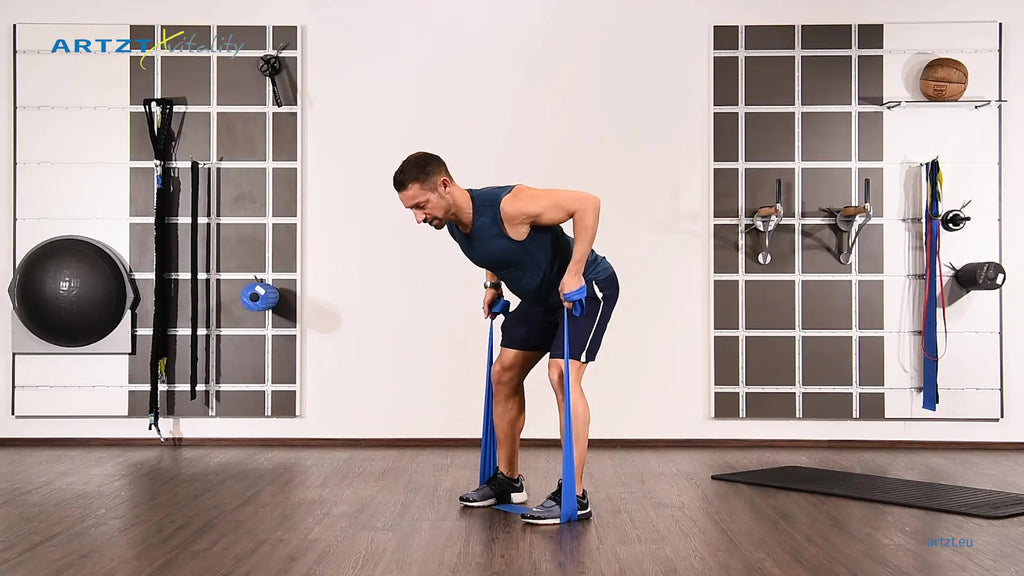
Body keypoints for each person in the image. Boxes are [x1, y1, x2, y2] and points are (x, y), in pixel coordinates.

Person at [392, 151, 619, 525]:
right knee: (503, 373)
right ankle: (508, 480)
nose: (418, 217)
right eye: (411, 211)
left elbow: (586, 203)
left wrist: (575, 271)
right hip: (541, 298)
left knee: (561, 375)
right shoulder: (452, 221)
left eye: (420, 205)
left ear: (444, 186)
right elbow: (491, 247)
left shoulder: (510, 204)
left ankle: (574, 495)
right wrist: (492, 283)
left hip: (584, 288)